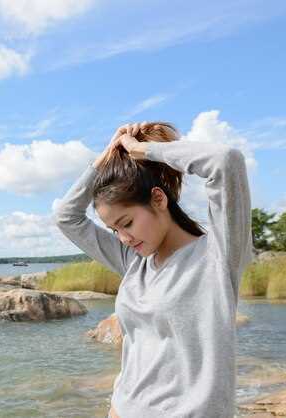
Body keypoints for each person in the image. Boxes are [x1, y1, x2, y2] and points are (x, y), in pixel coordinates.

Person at [54, 122, 255, 418]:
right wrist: (106, 158)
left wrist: (144, 150)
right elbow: (66, 217)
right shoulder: (134, 260)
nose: (123, 238)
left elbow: (226, 161)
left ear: (158, 199)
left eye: (127, 223)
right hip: (122, 410)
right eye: (114, 229)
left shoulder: (218, 254)